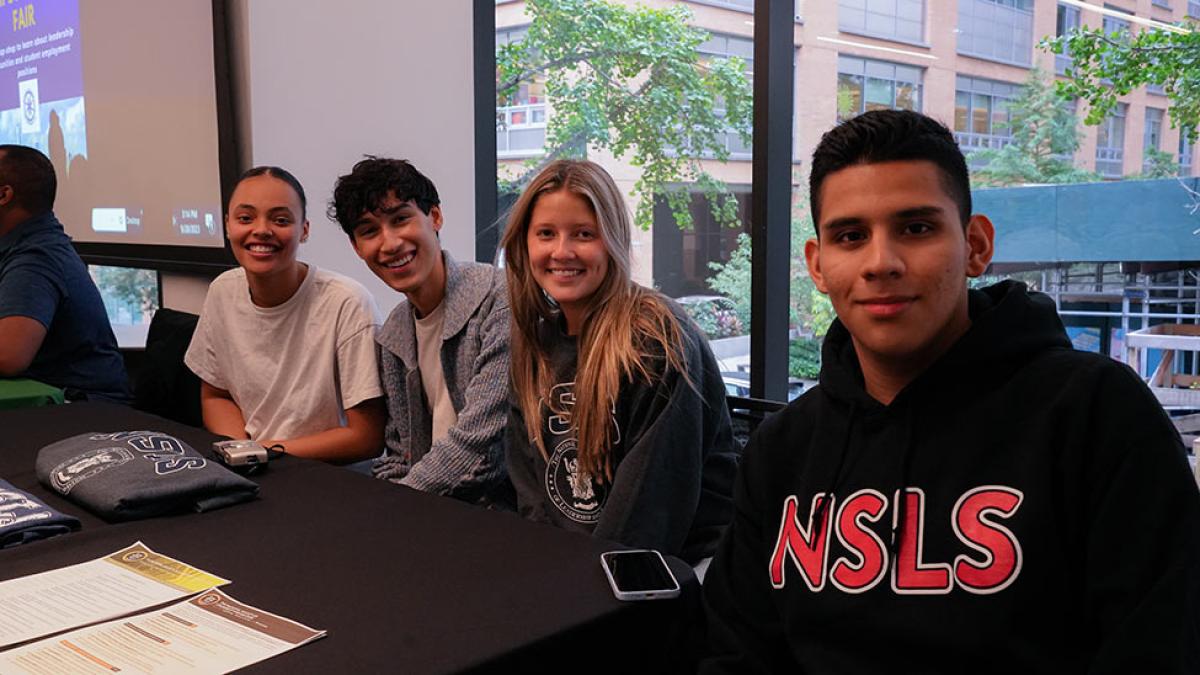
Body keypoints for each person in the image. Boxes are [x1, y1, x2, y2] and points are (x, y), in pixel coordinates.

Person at [702, 110, 1200, 672]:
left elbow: (1159, 647)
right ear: (818, 265)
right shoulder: (784, 447)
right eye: (850, 236)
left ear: (976, 245)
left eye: (916, 228)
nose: (881, 263)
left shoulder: (1095, 412)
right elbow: (736, 652)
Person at [501, 159, 737, 565]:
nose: (562, 251)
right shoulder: (535, 342)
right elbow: (531, 491)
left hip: (673, 569)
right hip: (576, 566)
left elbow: (649, 510)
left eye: (584, 234)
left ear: (612, 240)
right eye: (546, 234)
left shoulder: (656, 337)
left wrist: (584, 595)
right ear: (525, 243)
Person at [329, 157, 510, 504]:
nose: (390, 243)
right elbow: (399, 455)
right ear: (356, 248)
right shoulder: (395, 330)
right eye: (369, 231)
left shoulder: (499, 300)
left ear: (435, 217)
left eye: (400, 220)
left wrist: (399, 505)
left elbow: (482, 443)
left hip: (501, 516)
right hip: (430, 510)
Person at [185, 166, 385, 463]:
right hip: (256, 464)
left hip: (331, 474)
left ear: (304, 230)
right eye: (245, 218)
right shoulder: (222, 291)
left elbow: (366, 437)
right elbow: (216, 395)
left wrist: (263, 453)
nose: (261, 230)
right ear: (227, 225)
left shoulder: (347, 303)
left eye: (280, 219)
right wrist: (244, 451)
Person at [0, 144, 129, 402]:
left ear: (4, 195)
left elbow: (8, 356)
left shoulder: (37, 257)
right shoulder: (23, 246)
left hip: (84, 410)